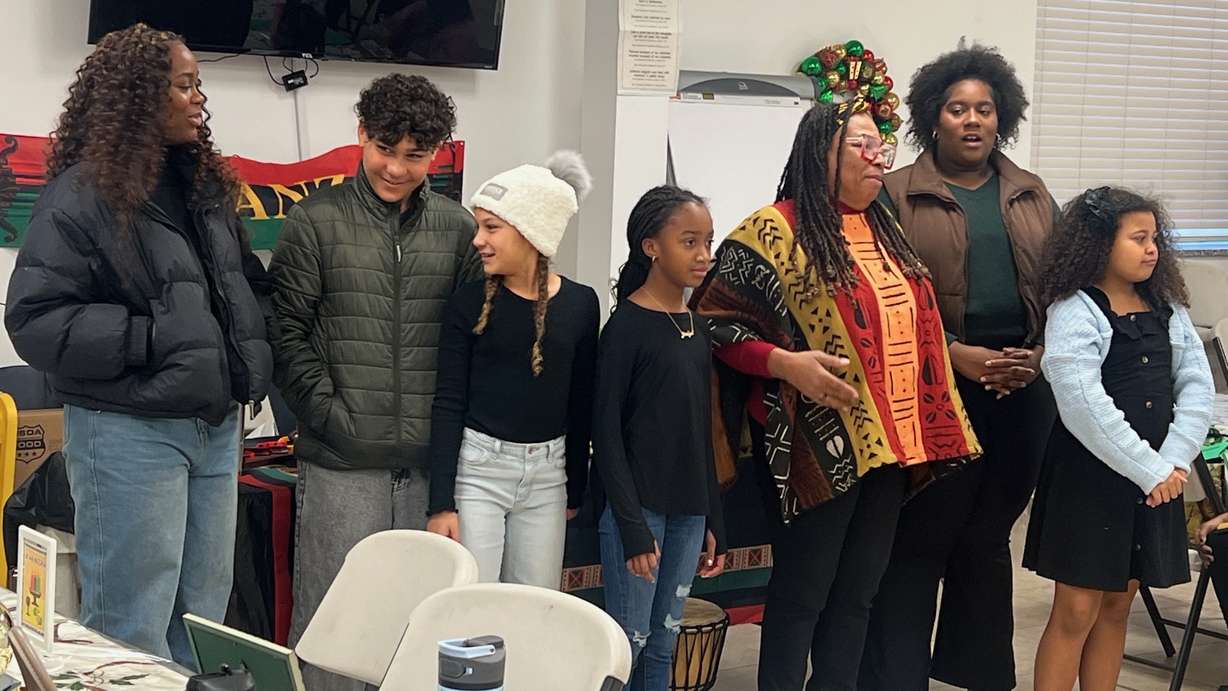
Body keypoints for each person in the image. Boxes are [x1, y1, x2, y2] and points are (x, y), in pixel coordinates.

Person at [4, 23, 274, 666]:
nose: (198, 99)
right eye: (185, 86)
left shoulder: (205, 186)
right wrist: (151, 337)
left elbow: (247, 286)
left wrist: (251, 357)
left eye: (198, 85)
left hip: (214, 427)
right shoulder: (81, 196)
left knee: (204, 620)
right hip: (127, 433)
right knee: (131, 624)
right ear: (139, 97)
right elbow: (34, 319)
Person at [691, 99, 981, 691]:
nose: (879, 159)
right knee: (802, 596)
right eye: (862, 146)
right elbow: (715, 320)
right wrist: (784, 363)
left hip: (891, 444)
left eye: (883, 147)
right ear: (822, 153)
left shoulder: (885, 229)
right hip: (813, 446)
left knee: (857, 598)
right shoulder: (771, 231)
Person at [271, 73, 478, 691]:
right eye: (385, 149)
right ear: (361, 134)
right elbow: (287, 333)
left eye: (414, 156)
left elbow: (471, 342)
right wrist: (332, 415)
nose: (396, 168)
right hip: (341, 463)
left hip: (429, 468)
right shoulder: (315, 221)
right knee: (336, 630)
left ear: (437, 152)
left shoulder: (459, 229)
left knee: (420, 632)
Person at [861, 45, 1058, 691]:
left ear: (1002, 118)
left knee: (986, 534)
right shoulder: (894, 194)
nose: (972, 120)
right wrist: (954, 355)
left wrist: (1037, 355)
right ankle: (895, 676)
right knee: (921, 538)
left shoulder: (1030, 192)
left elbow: (1062, 290)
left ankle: (980, 674)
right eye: (957, 109)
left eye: (985, 109)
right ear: (932, 117)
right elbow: (880, 301)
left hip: (1021, 389)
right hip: (931, 389)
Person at [1026, 187, 1214, 691]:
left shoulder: (1166, 307)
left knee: (1117, 605)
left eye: (1154, 238)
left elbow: (1196, 384)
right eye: (1137, 238)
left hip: (1156, 479)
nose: (1151, 248)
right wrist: (1151, 469)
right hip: (1092, 479)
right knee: (1078, 610)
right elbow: (1083, 405)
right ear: (1099, 244)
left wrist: (1174, 461)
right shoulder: (1075, 310)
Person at [425, 152, 599, 587]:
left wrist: (574, 486)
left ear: (530, 231)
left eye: (491, 227)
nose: (478, 240)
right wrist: (441, 504)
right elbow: (447, 402)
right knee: (469, 605)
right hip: (478, 473)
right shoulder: (468, 304)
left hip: (547, 478)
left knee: (535, 605)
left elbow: (581, 402)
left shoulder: (580, 305)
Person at [594, 185, 728, 690]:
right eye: (689, 241)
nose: (703, 256)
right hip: (639, 512)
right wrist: (631, 525)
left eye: (707, 242)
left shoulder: (696, 327)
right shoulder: (626, 328)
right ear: (652, 247)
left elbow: (702, 430)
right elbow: (605, 433)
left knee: (666, 644)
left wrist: (711, 513)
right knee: (629, 644)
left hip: (688, 511)